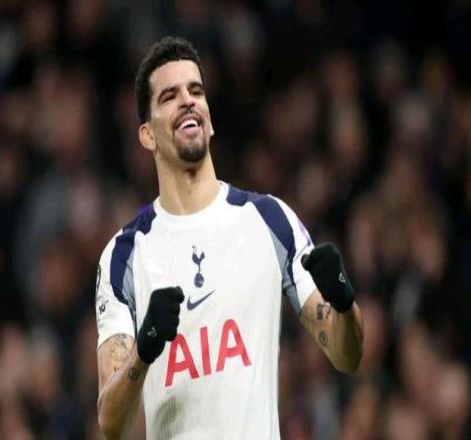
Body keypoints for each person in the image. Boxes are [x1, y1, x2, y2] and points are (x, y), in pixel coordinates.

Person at [95, 36, 363, 440]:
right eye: (169, 96)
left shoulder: (269, 220)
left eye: (196, 91)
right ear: (147, 135)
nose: (187, 101)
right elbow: (110, 424)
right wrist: (143, 352)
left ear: (210, 119)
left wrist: (343, 303)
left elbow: (346, 356)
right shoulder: (124, 255)